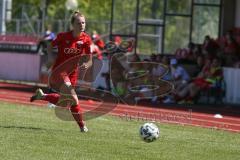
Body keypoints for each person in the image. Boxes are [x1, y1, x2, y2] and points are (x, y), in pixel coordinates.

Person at [30, 11, 93, 132]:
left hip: (72, 73)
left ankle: (43, 96)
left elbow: (90, 59)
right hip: (60, 72)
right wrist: (50, 58)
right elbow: (49, 46)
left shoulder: (86, 39)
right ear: (73, 25)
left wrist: (86, 64)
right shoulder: (63, 36)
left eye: (84, 22)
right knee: (74, 99)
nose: (82, 25)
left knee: (66, 103)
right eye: (79, 23)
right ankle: (83, 127)